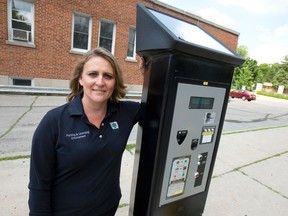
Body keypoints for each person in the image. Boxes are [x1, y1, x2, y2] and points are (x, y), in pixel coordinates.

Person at [28, 47, 143, 216]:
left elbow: (161, 104)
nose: (100, 82)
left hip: (108, 210)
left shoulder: (125, 113)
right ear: (81, 79)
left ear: (115, 82)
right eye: (93, 74)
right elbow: (39, 186)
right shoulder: (53, 122)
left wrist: (150, 69)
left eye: (108, 76)